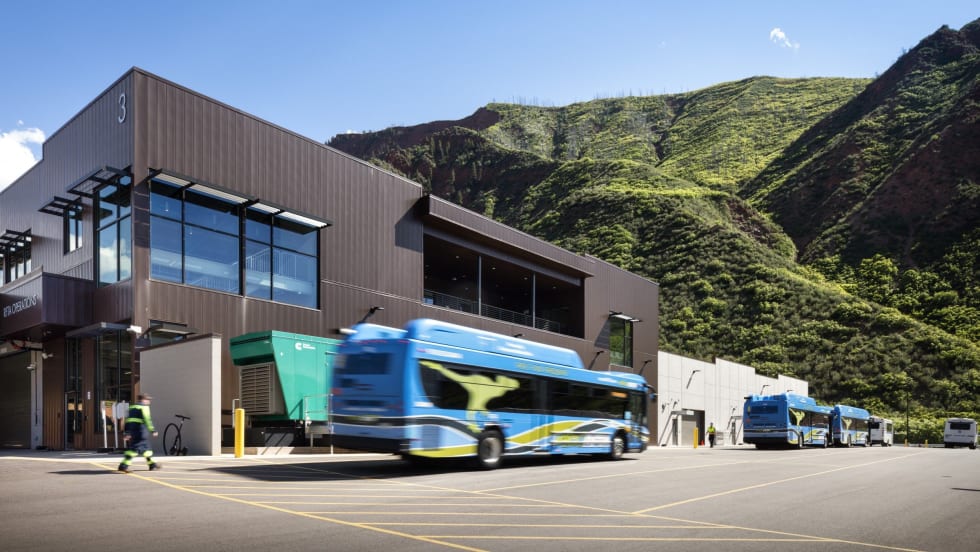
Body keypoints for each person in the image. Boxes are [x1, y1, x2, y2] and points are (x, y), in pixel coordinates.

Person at [118, 394, 161, 472]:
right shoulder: (144, 407)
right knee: (134, 450)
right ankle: (123, 466)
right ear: (143, 400)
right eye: (148, 400)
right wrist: (153, 430)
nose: (149, 402)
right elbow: (148, 420)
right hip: (141, 431)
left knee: (146, 449)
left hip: (133, 432)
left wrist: (127, 432)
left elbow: (128, 421)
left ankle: (152, 465)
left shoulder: (132, 408)